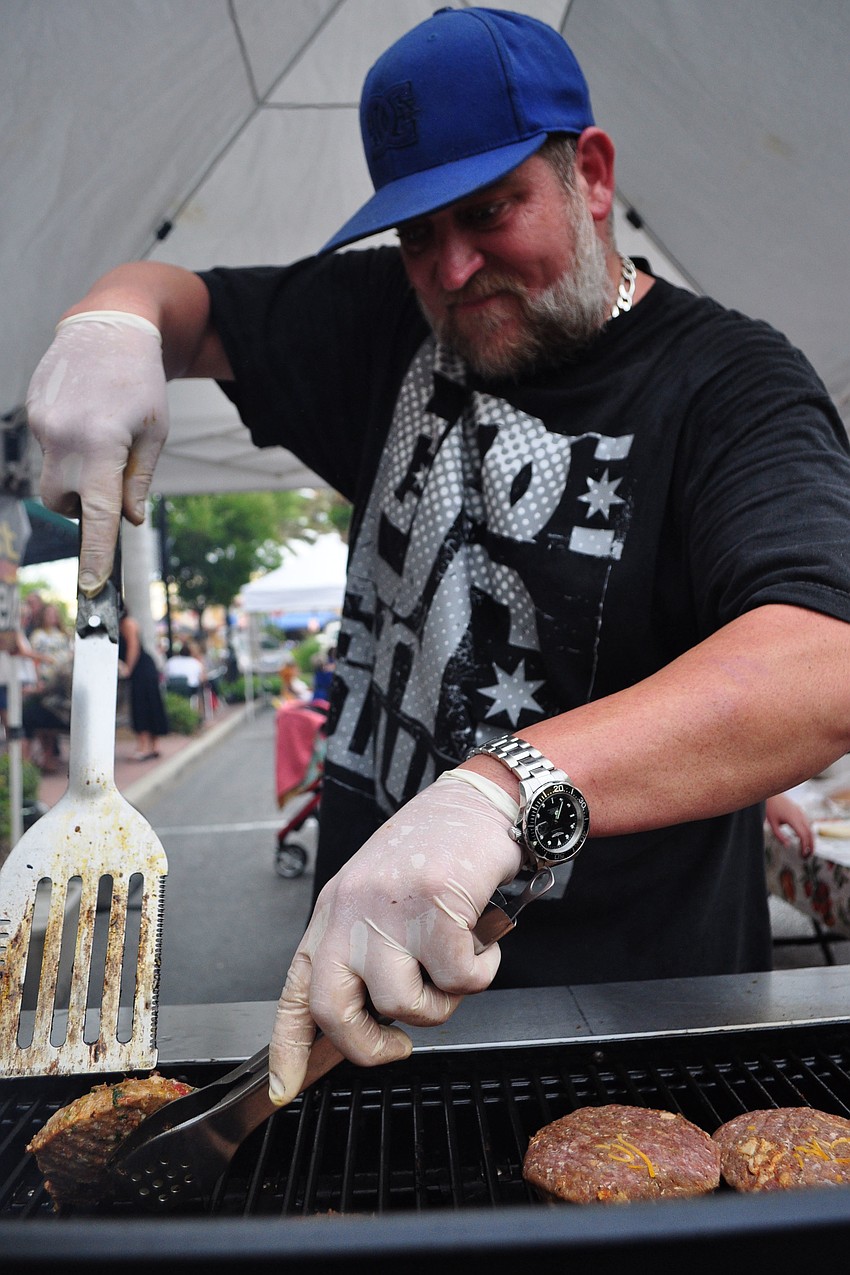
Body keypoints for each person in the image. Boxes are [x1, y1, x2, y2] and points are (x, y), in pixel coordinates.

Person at [23, 8, 850, 1106]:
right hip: (356, 1013)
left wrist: (501, 792)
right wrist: (111, 320)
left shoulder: (728, 382)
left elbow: (821, 658)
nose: (453, 267)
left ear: (589, 174)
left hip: (637, 1025)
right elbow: (189, 302)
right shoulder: (385, 323)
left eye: (489, 211)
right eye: (416, 232)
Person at [118, 607, 169, 760]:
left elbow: (134, 647)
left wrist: (128, 668)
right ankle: (152, 746)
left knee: (142, 706)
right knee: (149, 704)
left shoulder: (127, 623)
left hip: (141, 670)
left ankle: (144, 747)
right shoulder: (123, 624)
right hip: (143, 669)